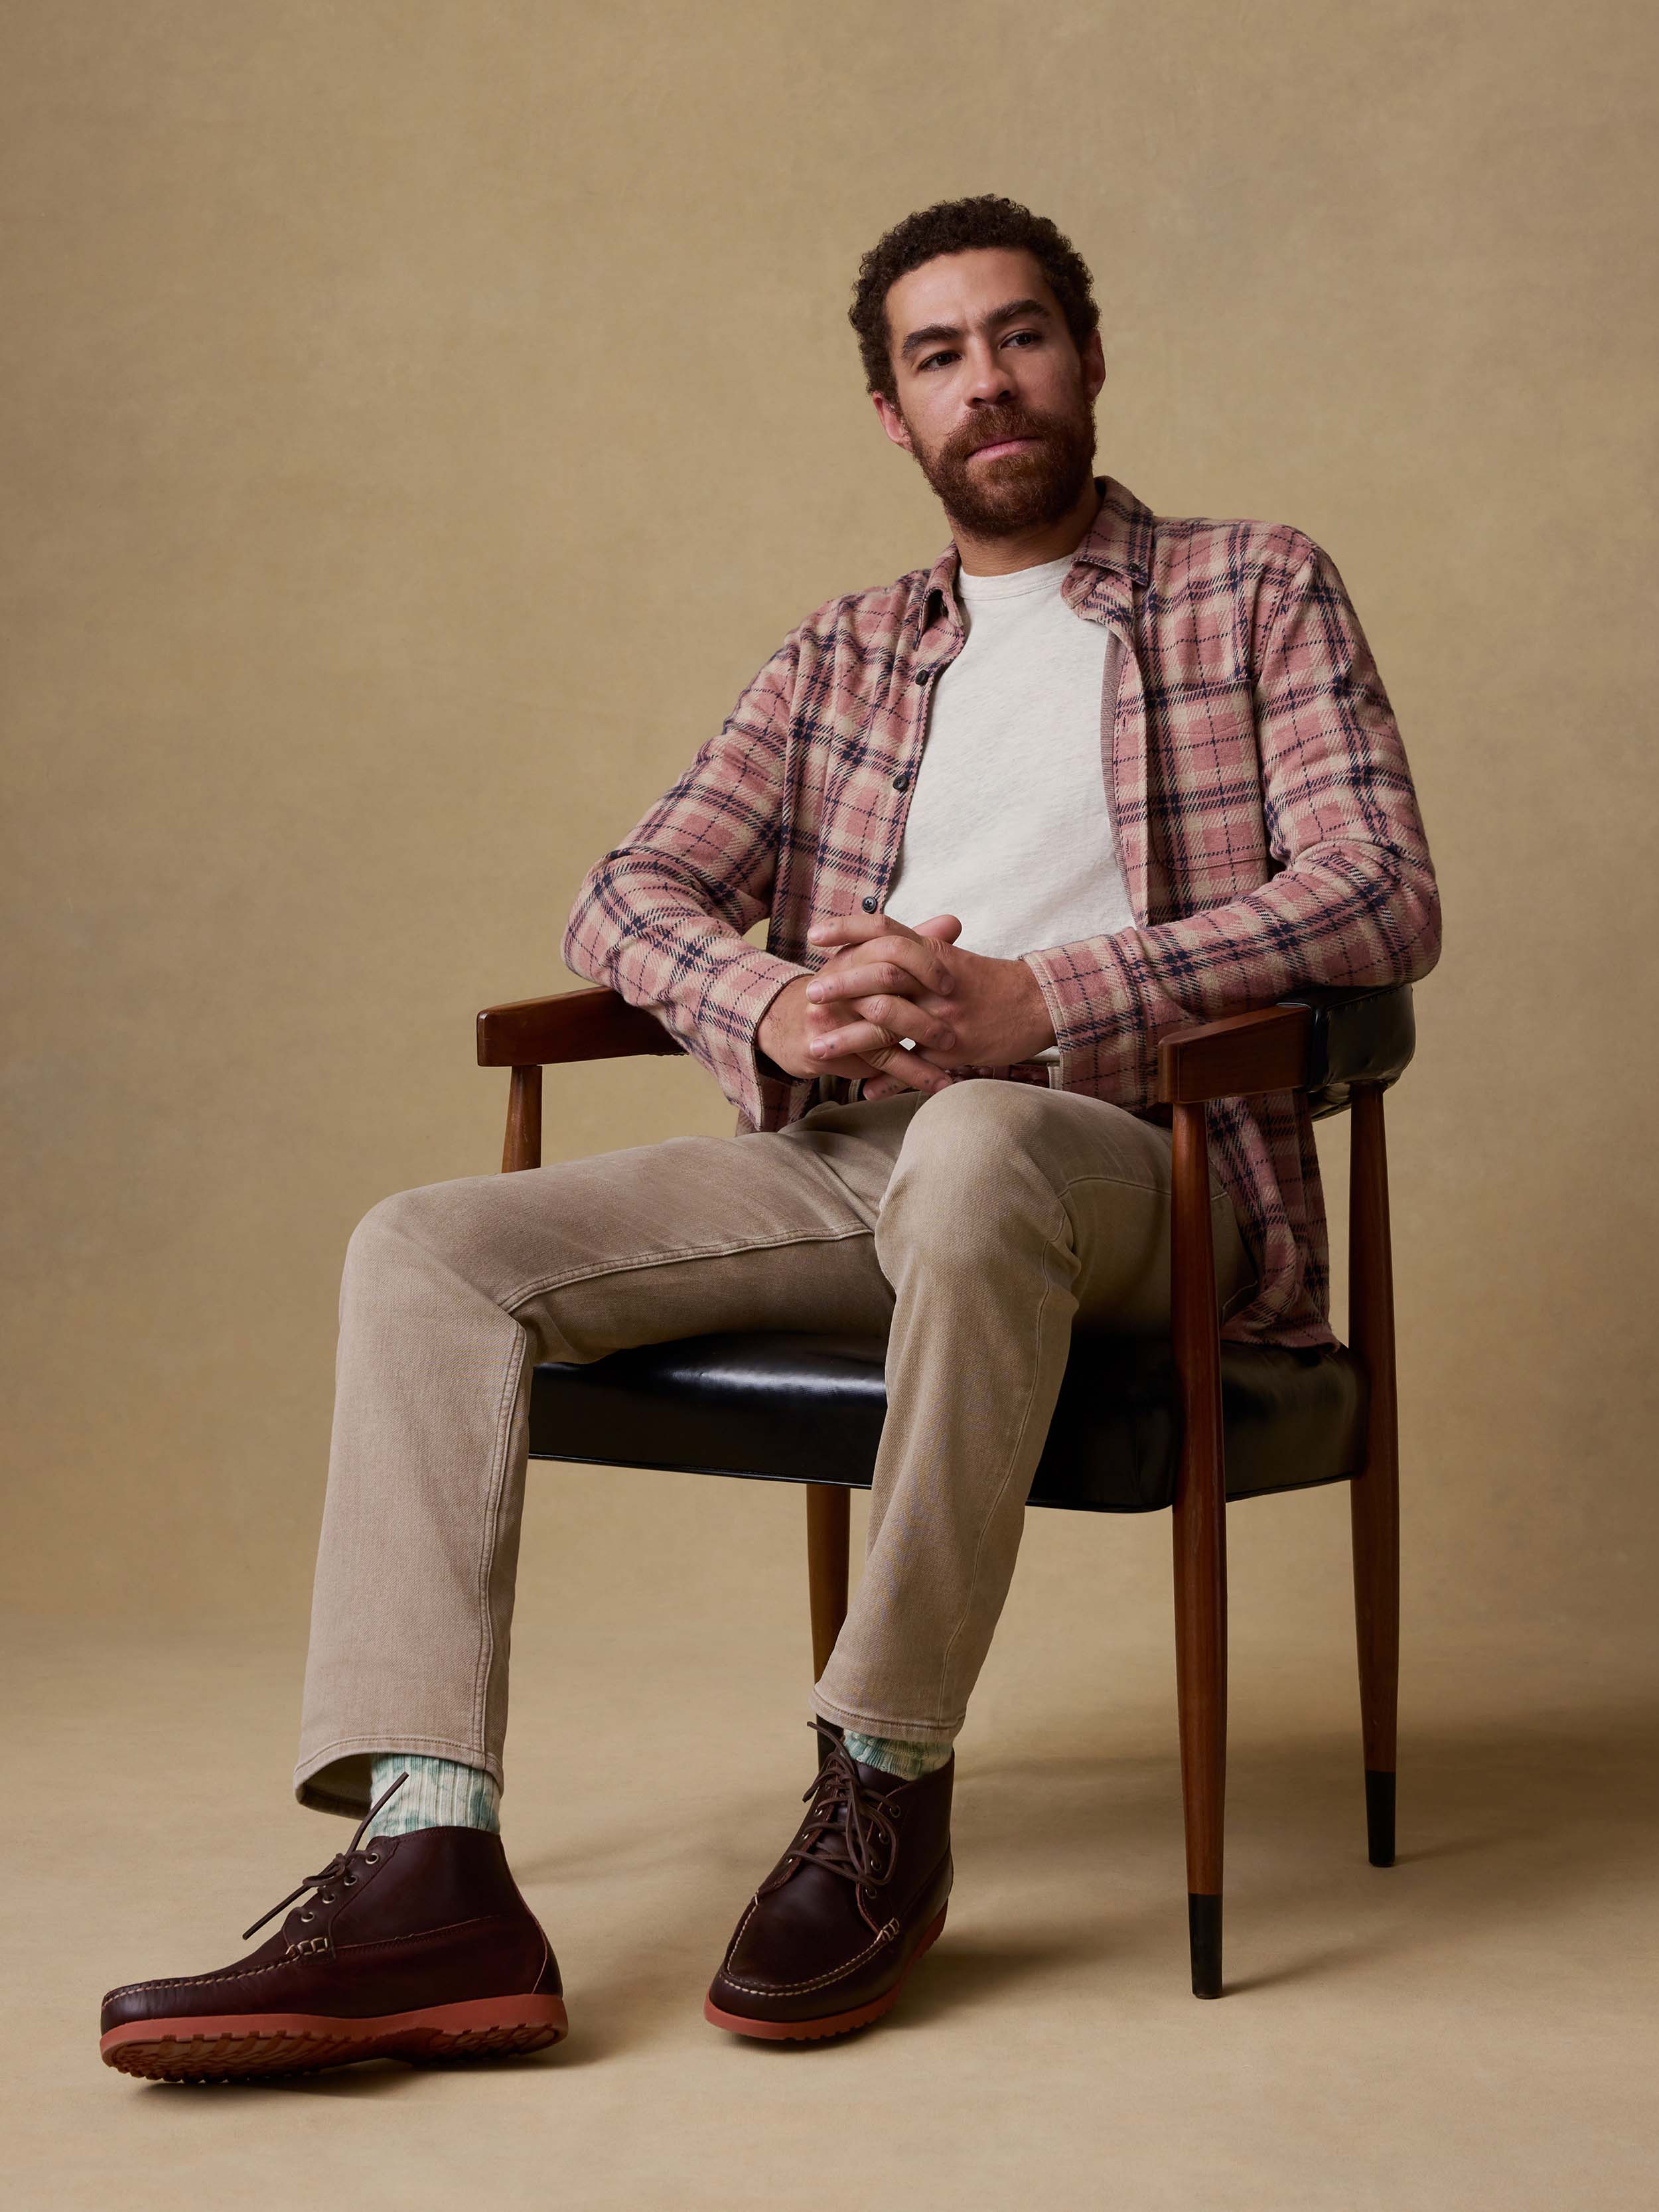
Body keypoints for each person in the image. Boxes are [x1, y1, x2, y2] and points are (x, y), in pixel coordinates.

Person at [99, 194, 1441, 2079]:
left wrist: (1044, 1001)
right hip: (855, 1161)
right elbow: (626, 890)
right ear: (893, 412)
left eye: (1021, 334)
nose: (989, 379)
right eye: (939, 353)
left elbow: (1378, 894)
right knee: (423, 1245)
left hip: (1142, 1170)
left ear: (1088, 357)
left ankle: (882, 1782)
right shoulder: (843, 655)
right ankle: (425, 1867)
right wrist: (769, 1004)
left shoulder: (1251, 590)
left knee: (980, 1133)